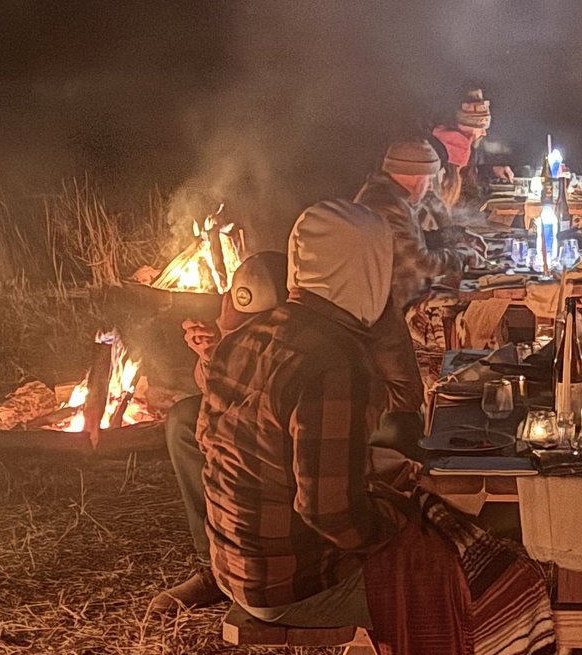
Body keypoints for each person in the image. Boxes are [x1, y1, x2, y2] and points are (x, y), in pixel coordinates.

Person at [198, 201, 402, 628]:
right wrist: (400, 523)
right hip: (296, 588)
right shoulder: (335, 360)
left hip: (234, 572)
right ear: (367, 268)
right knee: (475, 580)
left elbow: (217, 446)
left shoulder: (246, 334)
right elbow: (331, 514)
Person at [152, 250, 287, 612]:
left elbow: (268, 386)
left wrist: (228, 348)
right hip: (253, 414)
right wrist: (213, 352)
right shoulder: (237, 316)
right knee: (184, 419)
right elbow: (216, 393)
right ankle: (213, 563)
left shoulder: (306, 323)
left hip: (284, 420)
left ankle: (274, 557)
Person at [355, 138, 461, 438]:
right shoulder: (387, 205)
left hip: (387, 303)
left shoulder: (390, 195)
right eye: (429, 179)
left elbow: (415, 243)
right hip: (385, 313)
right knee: (407, 388)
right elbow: (420, 264)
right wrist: (459, 259)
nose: (430, 186)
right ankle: (409, 440)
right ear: (417, 175)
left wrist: (451, 236)